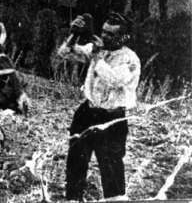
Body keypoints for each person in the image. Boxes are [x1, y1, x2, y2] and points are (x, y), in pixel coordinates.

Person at [57, 12, 141, 202]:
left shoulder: (130, 59)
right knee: (76, 163)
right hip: (87, 113)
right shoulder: (97, 50)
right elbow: (64, 53)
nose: (104, 37)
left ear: (124, 37)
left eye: (111, 34)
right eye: (103, 32)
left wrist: (96, 55)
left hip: (113, 119)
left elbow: (112, 80)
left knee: (111, 168)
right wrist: (74, 34)